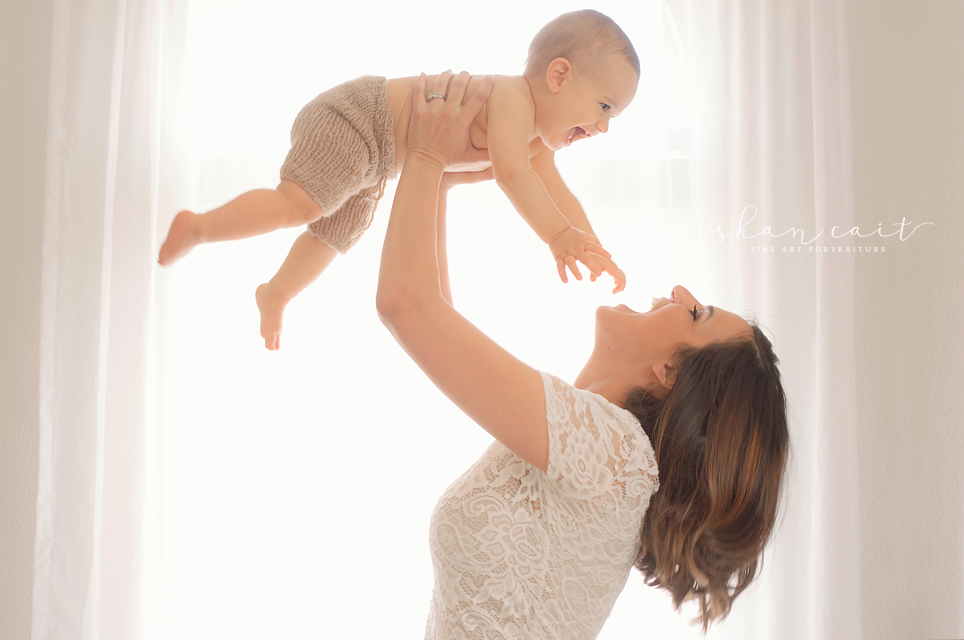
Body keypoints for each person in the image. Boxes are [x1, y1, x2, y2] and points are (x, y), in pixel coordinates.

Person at [376, 70, 790, 639]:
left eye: (697, 314)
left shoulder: (615, 455)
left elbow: (407, 305)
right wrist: (441, 180)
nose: (681, 293)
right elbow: (436, 314)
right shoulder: (596, 445)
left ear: (670, 370)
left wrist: (424, 153)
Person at [157, 9, 638, 350]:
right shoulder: (513, 98)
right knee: (301, 204)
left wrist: (592, 248)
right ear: (558, 74)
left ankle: (275, 292)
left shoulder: (536, 139)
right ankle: (198, 226)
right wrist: (557, 239)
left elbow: (559, 195)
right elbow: (513, 177)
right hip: (358, 118)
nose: (603, 127)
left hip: (381, 161)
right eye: (604, 108)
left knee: (333, 235)